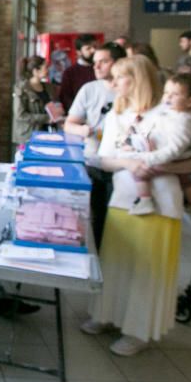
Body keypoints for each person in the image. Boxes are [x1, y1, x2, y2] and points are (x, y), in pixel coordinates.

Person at [82, 56, 191, 356]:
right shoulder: (116, 114)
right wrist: (131, 163)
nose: (113, 84)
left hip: (161, 202)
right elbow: (103, 158)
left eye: (120, 78)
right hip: (124, 197)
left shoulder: (171, 112)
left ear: (138, 79)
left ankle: (138, 330)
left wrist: (166, 168)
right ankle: (106, 314)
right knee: (117, 262)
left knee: (147, 271)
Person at [126, 73, 191, 220]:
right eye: (166, 92)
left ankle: (144, 200)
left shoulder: (182, 123)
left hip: (170, 156)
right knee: (185, 178)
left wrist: (148, 158)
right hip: (180, 156)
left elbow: (173, 150)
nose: (167, 97)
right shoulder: (181, 112)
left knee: (140, 172)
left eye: (174, 94)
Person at [63, 42, 127, 247]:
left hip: (125, 165)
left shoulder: (130, 91)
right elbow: (69, 124)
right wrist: (83, 130)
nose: (96, 67)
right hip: (94, 162)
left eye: (103, 62)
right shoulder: (89, 89)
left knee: (121, 218)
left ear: (119, 64)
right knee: (97, 217)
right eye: (95, 62)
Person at [12, 54, 54, 143]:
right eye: (45, 67)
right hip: (28, 135)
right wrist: (46, 118)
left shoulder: (48, 87)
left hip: (46, 133)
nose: (48, 70)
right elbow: (20, 115)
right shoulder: (22, 89)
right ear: (35, 71)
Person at [58, 33, 98, 111]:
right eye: (88, 48)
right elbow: (65, 98)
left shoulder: (101, 68)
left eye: (95, 47)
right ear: (79, 52)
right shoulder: (70, 73)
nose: (93, 50)